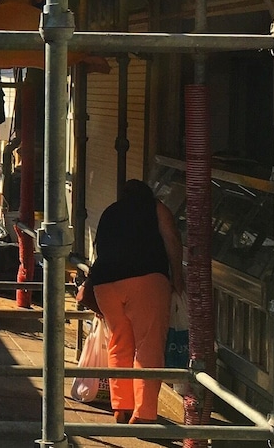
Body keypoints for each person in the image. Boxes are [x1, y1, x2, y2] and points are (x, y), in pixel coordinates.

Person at [86, 179, 184, 425]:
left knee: (119, 343)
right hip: (146, 281)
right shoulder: (156, 207)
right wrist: (177, 277)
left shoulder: (111, 211)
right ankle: (144, 413)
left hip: (105, 284)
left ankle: (121, 407)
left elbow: (99, 248)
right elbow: (172, 239)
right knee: (148, 346)